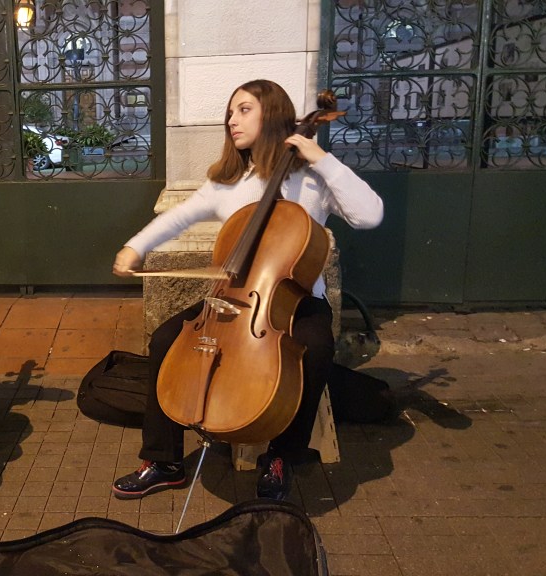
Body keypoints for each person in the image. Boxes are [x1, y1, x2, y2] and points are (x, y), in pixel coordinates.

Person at [110, 79, 384, 501]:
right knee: (166, 339)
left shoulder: (312, 179)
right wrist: (134, 247)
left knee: (315, 349)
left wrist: (323, 158)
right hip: (237, 297)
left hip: (297, 300)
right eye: (230, 112)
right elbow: (176, 219)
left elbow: (370, 216)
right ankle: (163, 461)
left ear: (272, 114)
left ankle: (282, 455)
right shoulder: (227, 183)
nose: (231, 120)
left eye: (243, 110)